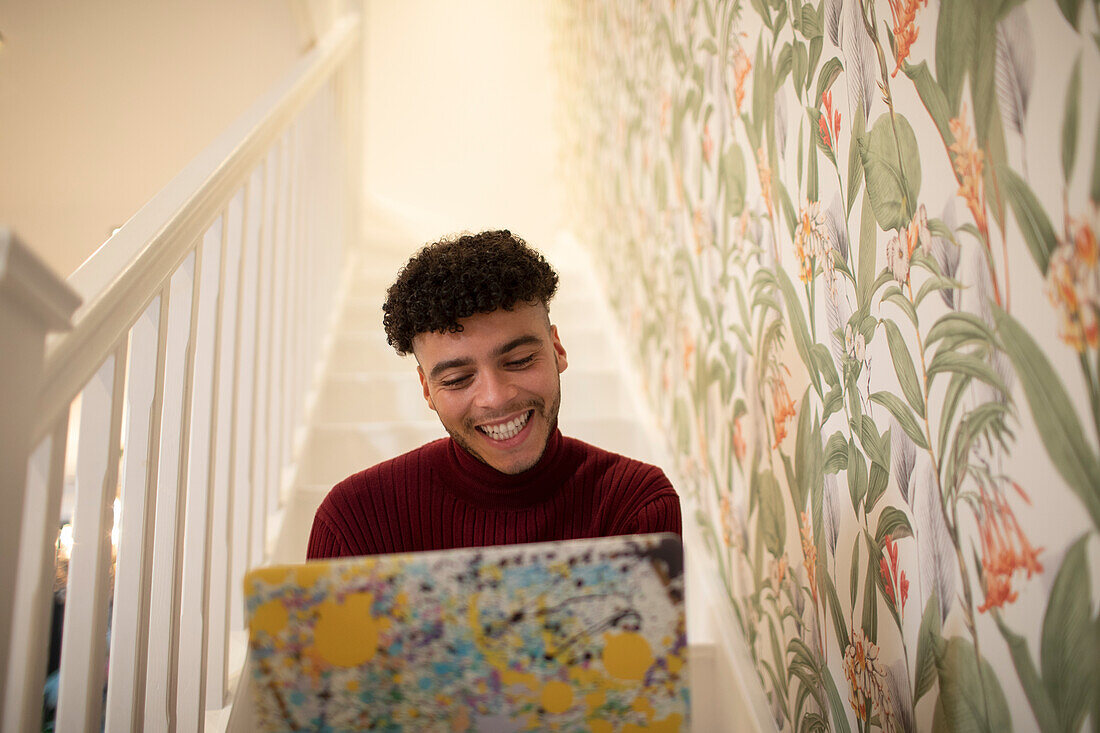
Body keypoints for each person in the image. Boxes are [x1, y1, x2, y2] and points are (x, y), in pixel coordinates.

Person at [307, 230, 680, 559]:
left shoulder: (635, 505)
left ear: (557, 349)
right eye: (456, 379)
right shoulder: (353, 523)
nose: (495, 397)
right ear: (427, 389)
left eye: (518, 360)